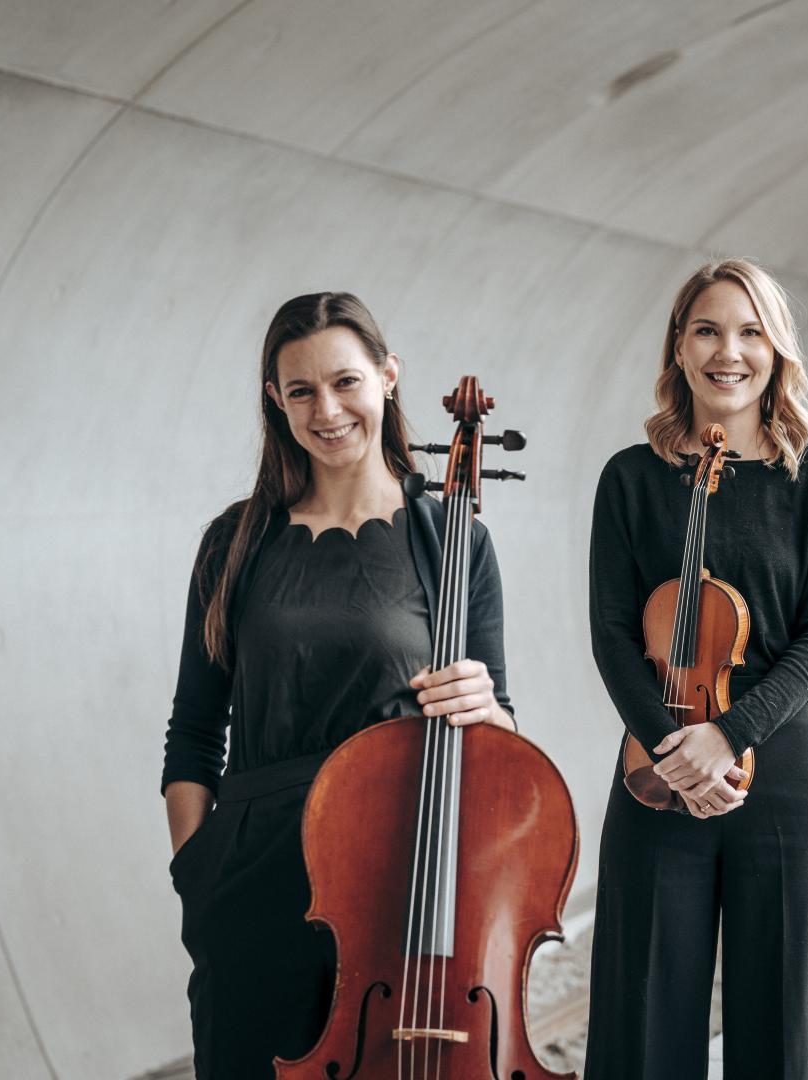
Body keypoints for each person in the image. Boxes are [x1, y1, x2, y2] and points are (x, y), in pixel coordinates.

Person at [160, 292, 515, 1079]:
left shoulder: (451, 539)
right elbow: (191, 731)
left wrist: (485, 706)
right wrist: (197, 875)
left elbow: (501, 738)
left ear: (388, 378)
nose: (326, 410)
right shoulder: (236, 540)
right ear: (274, 401)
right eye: (300, 391)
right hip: (250, 886)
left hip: (398, 875)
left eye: (346, 382)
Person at [584, 258, 808, 1079]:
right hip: (655, 765)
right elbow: (609, 634)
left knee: (789, 1033)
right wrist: (676, 746)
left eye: (750, 332)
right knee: (642, 1012)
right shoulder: (632, 478)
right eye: (706, 329)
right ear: (678, 345)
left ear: (777, 351)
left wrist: (729, 734)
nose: (727, 351)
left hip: (784, 778)